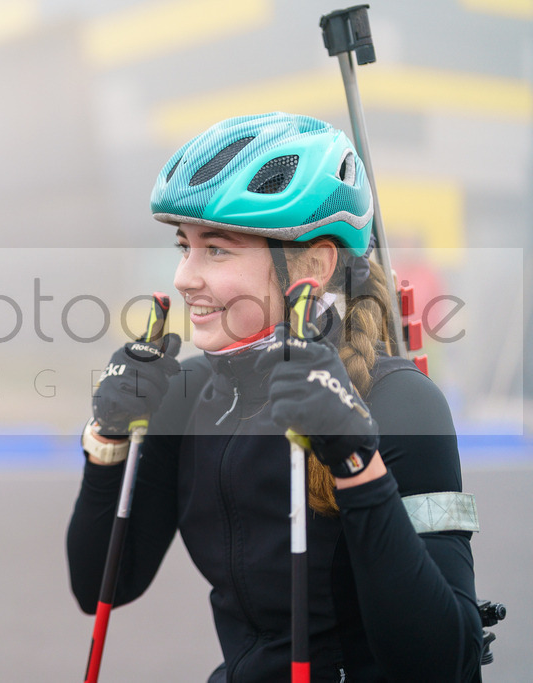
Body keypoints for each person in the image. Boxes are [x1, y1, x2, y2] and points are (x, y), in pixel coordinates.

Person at [67, 112, 483, 681]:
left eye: (217, 250)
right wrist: (108, 439)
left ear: (312, 264)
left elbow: (442, 663)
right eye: (184, 246)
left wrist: (355, 462)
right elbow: (101, 587)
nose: (185, 277)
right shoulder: (187, 395)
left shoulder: (401, 403)